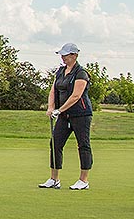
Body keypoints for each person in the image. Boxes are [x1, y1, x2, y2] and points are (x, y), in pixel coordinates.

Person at [40, 43, 94, 191]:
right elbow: (53, 91)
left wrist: (60, 110)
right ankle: (54, 179)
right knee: (55, 143)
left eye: (66, 55)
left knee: (83, 145)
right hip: (64, 115)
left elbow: (76, 96)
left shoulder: (81, 73)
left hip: (81, 114)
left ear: (74, 56)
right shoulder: (60, 71)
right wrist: (51, 107)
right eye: (62, 55)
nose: (63, 57)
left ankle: (83, 180)